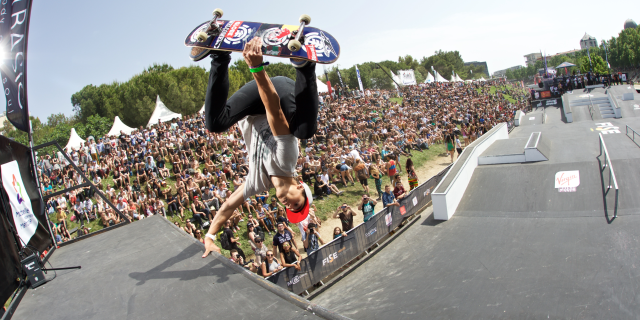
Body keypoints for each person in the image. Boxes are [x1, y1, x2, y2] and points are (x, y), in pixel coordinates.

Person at [203, 38, 318, 258]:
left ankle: (219, 55)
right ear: (300, 187)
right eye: (296, 204)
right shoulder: (287, 161)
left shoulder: (257, 183)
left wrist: (210, 237)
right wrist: (256, 67)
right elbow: (273, 109)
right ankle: (305, 66)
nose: (289, 205)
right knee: (304, 131)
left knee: (215, 123)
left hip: (253, 107)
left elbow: (228, 206)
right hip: (279, 94)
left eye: (289, 209)